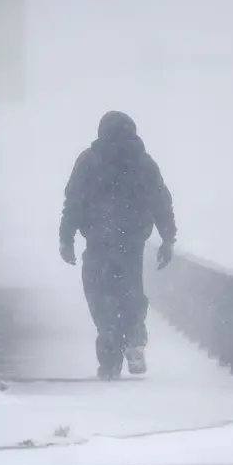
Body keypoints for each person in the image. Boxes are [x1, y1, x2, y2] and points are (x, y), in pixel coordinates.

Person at [59, 110, 177, 380]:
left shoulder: (89, 161)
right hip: (131, 243)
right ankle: (134, 338)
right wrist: (168, 238)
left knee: (100, 297)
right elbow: (161, 201)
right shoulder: (144, 163)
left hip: (99, 242)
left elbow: (73, 202)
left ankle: (110, 358)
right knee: (130, 291)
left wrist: (67, 239)